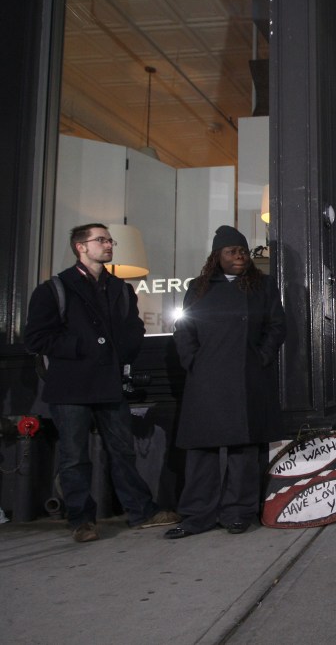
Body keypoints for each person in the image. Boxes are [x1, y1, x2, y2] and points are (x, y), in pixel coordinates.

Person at [24, 223, 180, 542]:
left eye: (110, 240)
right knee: (74, 456)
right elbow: (36, 338)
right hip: (70, 386)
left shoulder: (120, 288)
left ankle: (141, 511)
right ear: (81, 247)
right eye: (101, 240)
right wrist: (84, 346)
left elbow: (134, 329)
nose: (109, 245)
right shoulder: (54, 288)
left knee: (122, 451)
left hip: (109, 384)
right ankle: (82, 520)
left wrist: (123, 350)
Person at [165, 226, 286, 539]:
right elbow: (184, 328)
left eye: (243, 251)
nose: (240, 256)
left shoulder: (263, 286)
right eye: (232, 251)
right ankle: (196, 515)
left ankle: (238, 512)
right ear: (217, 256)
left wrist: (259, 357)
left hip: (247, 375)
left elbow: (277, 325)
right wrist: (192, 360)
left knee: (243, 450)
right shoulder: (199, 287)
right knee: (201, 451)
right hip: (206, 377)